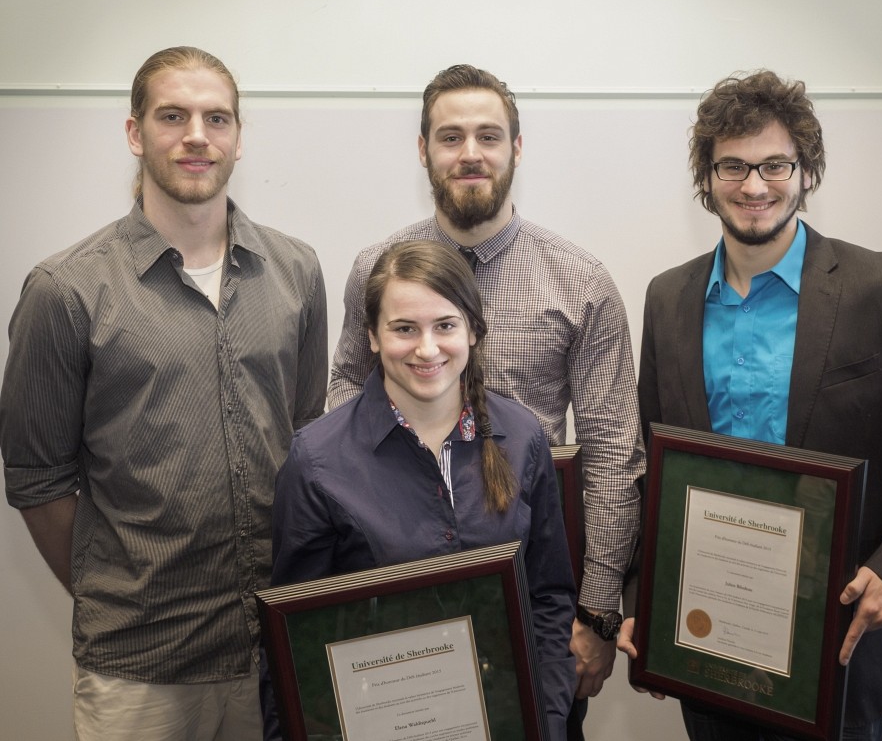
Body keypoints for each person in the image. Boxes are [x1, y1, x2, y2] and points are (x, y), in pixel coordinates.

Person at [618, 69, 882, 740]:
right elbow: (654, 463)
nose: (754, 186)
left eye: (775, 164)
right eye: (732, 166)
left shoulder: (880, 287)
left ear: (806, 172)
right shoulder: (667, 298)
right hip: (707, 633)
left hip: (837, 633)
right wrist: (641, 598)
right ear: (706, 177)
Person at [0, 46, 328, 740]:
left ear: (238, 137)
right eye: (173, 116)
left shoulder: (296, 271)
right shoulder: (66, 291)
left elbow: (305, 433)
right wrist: (114, 591)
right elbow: (37, 479)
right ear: (135, 132)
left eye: (217, 118)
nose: (197, 136)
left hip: (274, 647)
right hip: (139, 665)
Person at [327, 64, 644, 737]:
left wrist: (596, 613)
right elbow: (344, 400)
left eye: (488, 136)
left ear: (516, 148)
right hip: (393, 602)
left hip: (532, 603)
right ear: (423, 150)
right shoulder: (376, 270)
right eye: (451, 137)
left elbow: (614, 455)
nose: (470, 153)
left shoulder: (581, 282)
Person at [269, 239, 576, 738]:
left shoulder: (523, 439)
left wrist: (548, 719)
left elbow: (548, 598)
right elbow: (295, 637)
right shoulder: (317, 461)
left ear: (473, 330)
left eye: (445, 326)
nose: (427, 349)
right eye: (404, 328)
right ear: (372, 336)